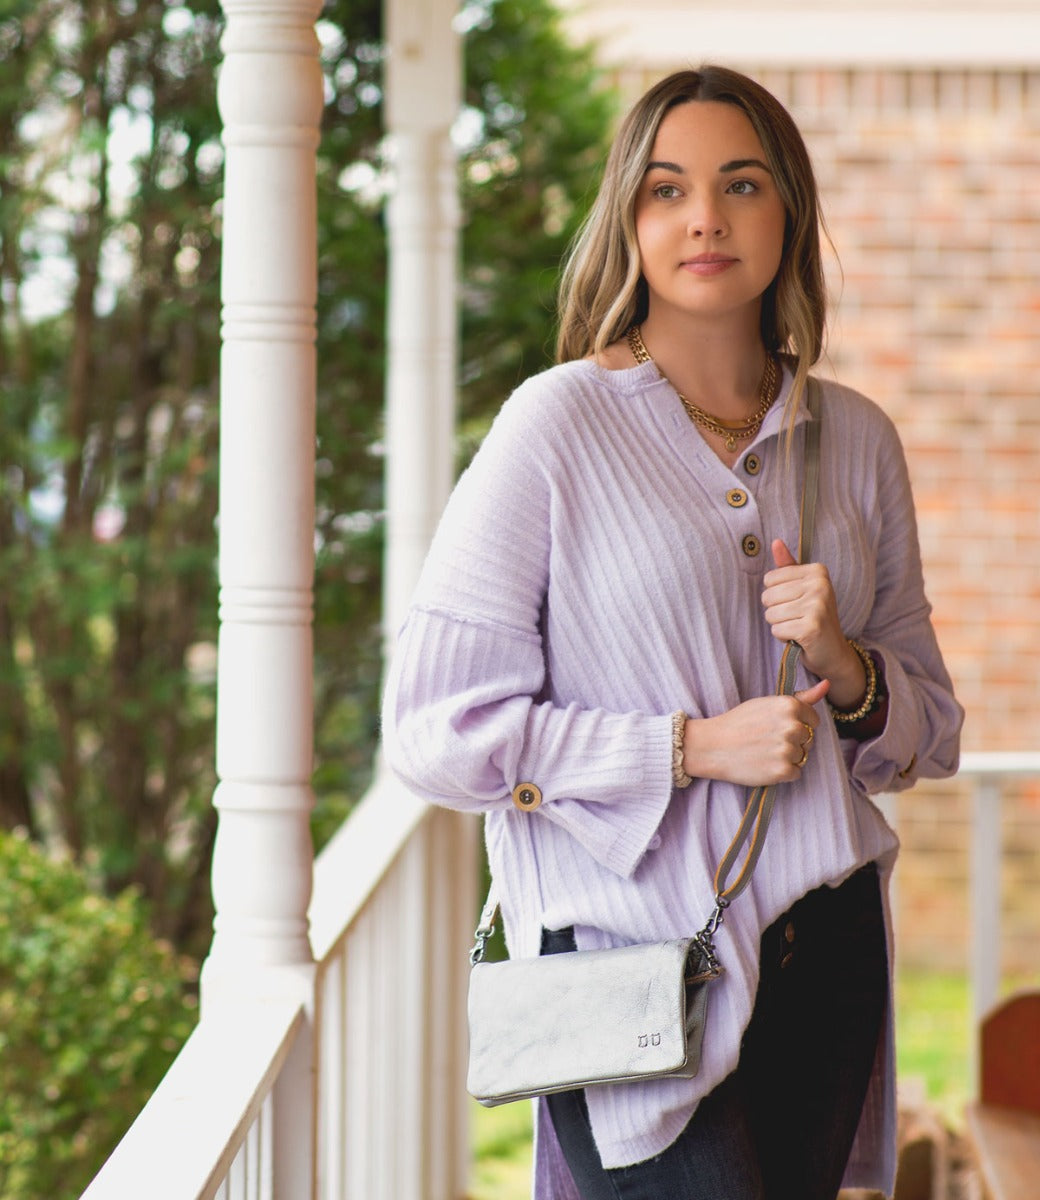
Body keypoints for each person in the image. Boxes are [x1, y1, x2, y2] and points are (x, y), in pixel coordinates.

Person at [381, 65, 962, 1200]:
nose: (704, 215)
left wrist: (848, 671)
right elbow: (431, 733)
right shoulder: (553, 429)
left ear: (786, 211)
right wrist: (685, 748)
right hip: (623, 965)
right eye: (666, 188)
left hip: (823, 946)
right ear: (629, 222)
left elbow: (927, 736)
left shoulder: (853, 440)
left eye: (740, 183)